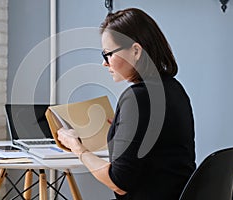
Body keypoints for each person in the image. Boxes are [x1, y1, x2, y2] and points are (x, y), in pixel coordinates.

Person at [57, 8, 196, 200]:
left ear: (136, 51)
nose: (105, 63)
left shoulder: (137, 98)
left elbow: (119, 183)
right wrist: (122, 128)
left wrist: (77, 147)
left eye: (108, 54)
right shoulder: (173, 88)